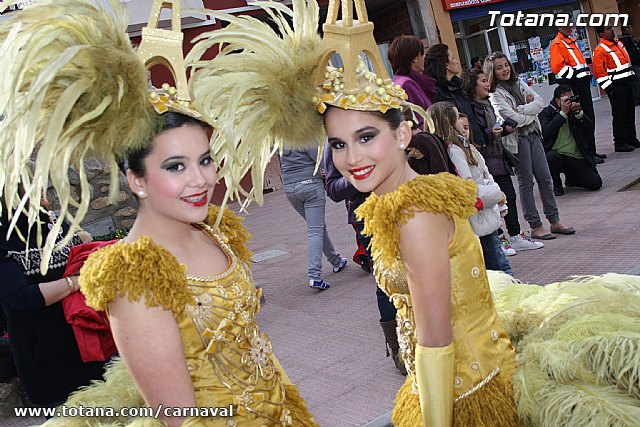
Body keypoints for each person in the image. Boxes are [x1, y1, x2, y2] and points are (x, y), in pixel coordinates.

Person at [169, 0, 640, 425]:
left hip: (459, 396)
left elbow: (436, 343)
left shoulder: (415, 215)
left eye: (366, 137)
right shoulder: (410, 199)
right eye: (338, 144)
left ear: (402, 134)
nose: (352, 157)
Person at [1, 1, 318, 425]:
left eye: (204, 160)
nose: (200, 180)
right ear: (136, 180)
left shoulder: (217, 231)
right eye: (175, 167)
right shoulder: (133, 276)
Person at [0, 198, 105, 408]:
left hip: (88, 346)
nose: (43, 192)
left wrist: (83, 242)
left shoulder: (53, 221)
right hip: (47, 361)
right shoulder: (4, 238)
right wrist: (75, 282)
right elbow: (22, 297)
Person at [324, 143, 407, 375]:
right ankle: (399, 348)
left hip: (404, 207)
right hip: (369, 219)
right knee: (387, 280)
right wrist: (362, 175)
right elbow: (332, 188)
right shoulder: (336, 142)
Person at [486, 51, 574, 240]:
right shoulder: (494, 94)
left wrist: (522, 110)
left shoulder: (518, 82)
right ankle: (535, 225)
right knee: (526, 182)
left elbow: (540, 103)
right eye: (499, 68)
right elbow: (511, 118)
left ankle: (554, 220)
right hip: (516, 140)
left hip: (534, 134)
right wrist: (529, 113)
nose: (505, 70)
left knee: (545, 178)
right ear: (492, 72)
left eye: (506, 65)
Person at [463, 68, 544, 255]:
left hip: (498, 156)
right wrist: (491, 133)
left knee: (509, 196)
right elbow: (477, 134)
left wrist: (505, 129)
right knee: (493, 201)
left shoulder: (487, 103)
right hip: (485, 160)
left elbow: (494, 130)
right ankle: (499, 239)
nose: (487, 84)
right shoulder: (471, 108)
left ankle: (515, 236)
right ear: (473, 86)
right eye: (483, 81)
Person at [429, 102, 512, 276]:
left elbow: (483, 176)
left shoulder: (464, 146)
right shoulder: (455, 151)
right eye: (457, 117)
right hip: (478, 217)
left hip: (484, 214)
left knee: (498, 263)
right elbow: (467, 187)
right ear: (449, 122)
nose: (461, 122)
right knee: (497, 267)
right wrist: (496, 194)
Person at [279, 146, 347, 290]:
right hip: (310, 185)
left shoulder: (280, 140)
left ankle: (336, 261)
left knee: (317, 227)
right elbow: (322, 161)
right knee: (315, 231)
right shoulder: (306, 136)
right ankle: (314, 276)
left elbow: (281, 165)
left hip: (290, 189)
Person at [549, 25, 606, 161]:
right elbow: (558, 67)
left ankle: (592, 151)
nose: (569, 27)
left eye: (570, 24)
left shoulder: (569, 41)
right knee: (580, 119)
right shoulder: (558, 44)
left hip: (582, 85)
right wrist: (575, 78)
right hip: (575, 86)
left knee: (588, 117)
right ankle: (587, 154)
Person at [538, 84, 602, 196]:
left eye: (571, 98)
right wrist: (562, 114)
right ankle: (557, 185)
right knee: (551, 157)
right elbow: (546, 133)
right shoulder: (547, 112)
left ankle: (572, 178)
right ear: (557, 100)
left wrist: (578, 113)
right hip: (558, 155)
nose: (569, 102)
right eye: (566, 99)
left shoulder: (574, 111)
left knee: (595, 183)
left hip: (576, 156)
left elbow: (589, 129)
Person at [424, 43, 485, 147]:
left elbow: (472, 119)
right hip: (462, 147)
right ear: (446, 65)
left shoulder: (459, 86)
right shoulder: (437, 93)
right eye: (453, 58)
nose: (457, 61)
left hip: (476, 144)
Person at [592, 26, 639, 152]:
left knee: (629, 112)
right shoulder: (600, 50)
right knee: (619, 115)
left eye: (611, 27)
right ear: (601, 34)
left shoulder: (618, 44)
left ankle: (631, 138)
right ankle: (620, 142)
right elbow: (599, 73)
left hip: (627, 84)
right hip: (616, 87)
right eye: (608, 29)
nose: (611, 30)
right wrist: (611, 89)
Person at [387, 34, 436, 129]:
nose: (424, 57)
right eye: (422, 54)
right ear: (415, 58)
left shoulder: (397, 82)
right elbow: (421, 122)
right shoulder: (407, 84)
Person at [619, 24, 640, 106]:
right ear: (624, 30)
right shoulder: (624, 40)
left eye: (631, 27)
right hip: (633, 64)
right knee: (636, 81)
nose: (630, 29)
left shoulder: (632, 39)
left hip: (637, 63)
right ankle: (636, 99)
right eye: (628, 28)